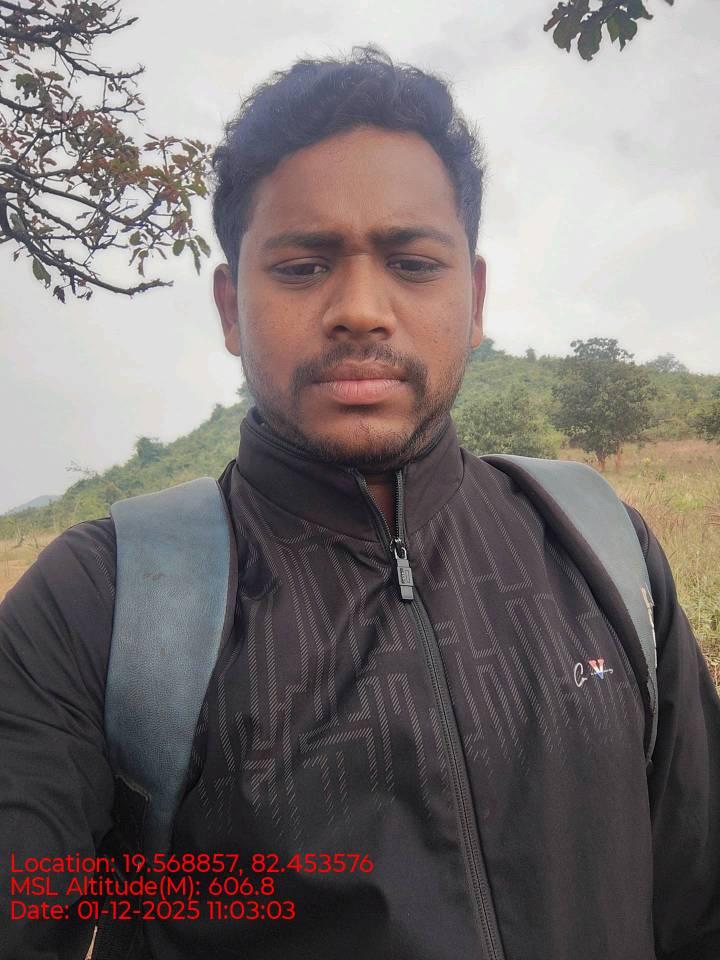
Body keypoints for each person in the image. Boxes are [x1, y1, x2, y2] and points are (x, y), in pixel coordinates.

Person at [1, 44, 719, 960]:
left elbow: (699, 900)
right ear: (230, 307)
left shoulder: (600, 544)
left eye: (412, 263)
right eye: (303, 267)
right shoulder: (101, 601)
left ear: (474, 298)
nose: (361, 310)